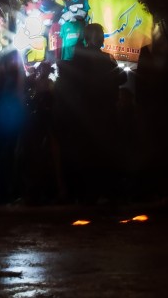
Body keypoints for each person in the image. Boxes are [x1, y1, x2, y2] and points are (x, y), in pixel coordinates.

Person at [54, 23, 125, 202]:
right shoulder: (86, 58)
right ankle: (94, 191)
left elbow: (118, 77)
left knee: (102, 151)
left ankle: (102, 191)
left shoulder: (103, 57)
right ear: (89, 36)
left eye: (101, 34)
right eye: (98, 34)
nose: (101, 37)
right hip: (93, 112)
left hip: (102, 111)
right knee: (94, 151)